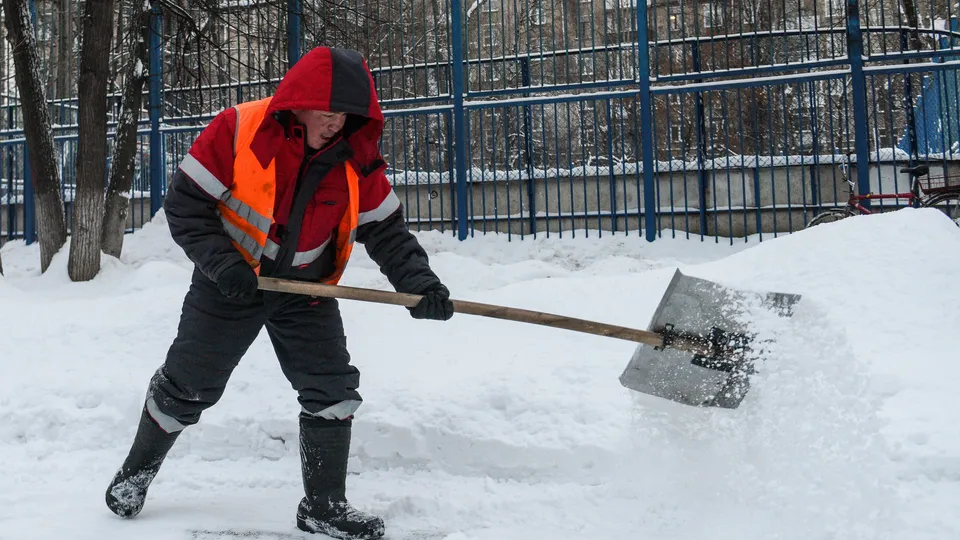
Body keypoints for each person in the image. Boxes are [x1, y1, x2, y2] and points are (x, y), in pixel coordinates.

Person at [104, 46, 454, 540]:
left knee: (332, 389)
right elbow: (185, 206)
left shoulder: (355, 156)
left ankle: (323, 507)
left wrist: (420, 285)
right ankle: (135, 474)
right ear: (300, 102)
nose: (336, 124)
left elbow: (387, 231)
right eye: (328, 113)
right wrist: (223, 264)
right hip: (230, 282)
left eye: (346, 116)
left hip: (305, 289)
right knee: (189, 386)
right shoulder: (239, 130)